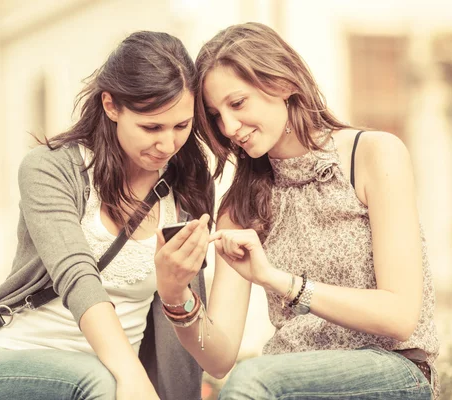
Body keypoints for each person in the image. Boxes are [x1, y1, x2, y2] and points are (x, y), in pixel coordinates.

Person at [0, 31, 214, 400]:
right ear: (111, 105)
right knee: (99, 379)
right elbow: (78, 277)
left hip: (109, 376)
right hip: (9, 360)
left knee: (102, 379)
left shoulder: (186, 188)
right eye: (151, 127)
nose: (167, 144)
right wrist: (133, 377)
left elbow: (183, 312)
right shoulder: (51, 169)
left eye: (181, 126)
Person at [187, 22, 439, 399]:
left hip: (392, 370)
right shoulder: (241, 207)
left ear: (284, 84)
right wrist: (176, 295)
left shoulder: (372, 155)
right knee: (247, 378)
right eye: (216, 115)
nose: (229, 127)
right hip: (290, 381)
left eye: (237, 103)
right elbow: (220, 359)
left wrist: (277, 280)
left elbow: (400, 316)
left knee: (252, 380)